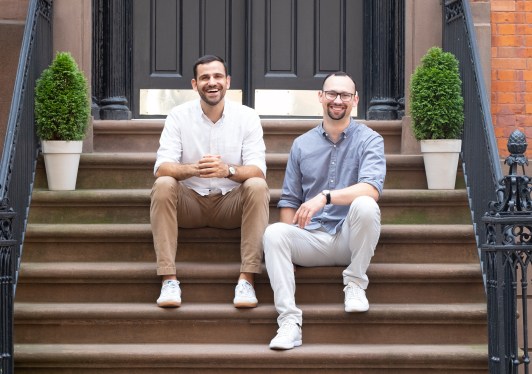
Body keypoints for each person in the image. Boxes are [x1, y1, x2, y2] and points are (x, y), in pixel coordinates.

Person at [263, 72, 386, 350]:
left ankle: (355, 282)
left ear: (355, 100)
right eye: (331, 93)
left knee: (366, 205)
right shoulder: (302, 144)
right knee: (273, 234)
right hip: (311, 239)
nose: (337, 100)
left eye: (344, 95)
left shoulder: (370, 140)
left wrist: (326, 197)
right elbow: (290, 200)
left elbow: (371, 188)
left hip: (349, 238)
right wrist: (289, 251)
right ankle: (289, 322)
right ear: (321, 97)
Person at [150, 54, 269, 309]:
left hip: (230, 206)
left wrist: (228, 170)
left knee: (257, 187)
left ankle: (247, 279)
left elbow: (258, 170)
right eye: (205, 77)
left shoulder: (247, 117)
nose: (211, 82)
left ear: (227, 82)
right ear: (195, 84)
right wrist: (193, 169)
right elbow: (161, 168)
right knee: (163, 185)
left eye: (217, 77)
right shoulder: (178, 116)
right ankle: (169, 279)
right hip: (189, 204)